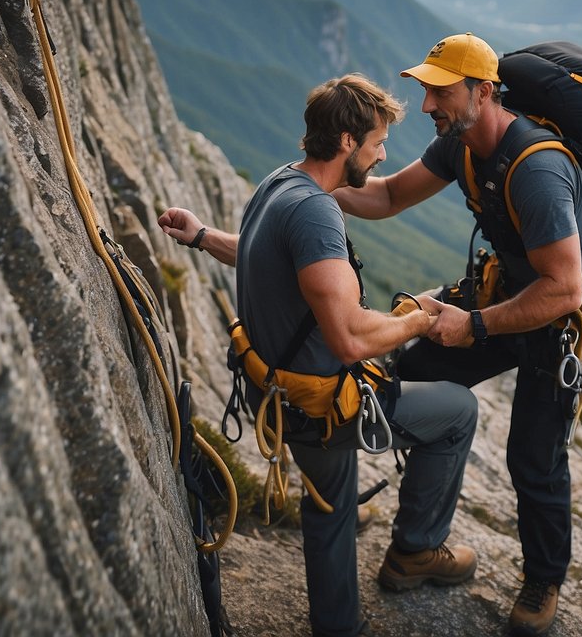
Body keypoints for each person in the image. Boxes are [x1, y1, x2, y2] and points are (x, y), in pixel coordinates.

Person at [159, 73, 480, 637]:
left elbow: (265, 258)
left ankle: (338, 624)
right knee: (457, 412)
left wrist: (202, 235)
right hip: (319, 402)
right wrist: (420, 319)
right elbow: (350, 340)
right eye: (378, 142)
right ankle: (418, 550)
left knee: (330, 499)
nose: (383, 155)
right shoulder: (316, 212)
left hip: (275, 390)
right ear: (348, 142)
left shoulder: (280, 183)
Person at [333, 34, 582, 636]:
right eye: (426, 90)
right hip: (507, 290)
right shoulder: (460, 145)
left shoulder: (536, 170)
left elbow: (565, 290)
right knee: (412, 380)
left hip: (557, 321)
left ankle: (543, 580)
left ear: (484, 92)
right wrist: (316, 182)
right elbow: (388, 194)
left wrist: (474, 325)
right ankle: (417, 549)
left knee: (533, 457)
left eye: (440, 91)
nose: (427, 104)